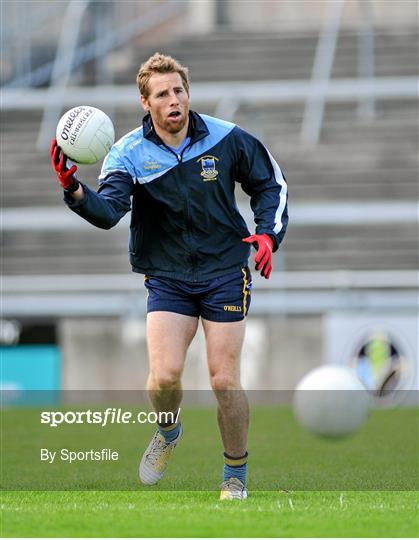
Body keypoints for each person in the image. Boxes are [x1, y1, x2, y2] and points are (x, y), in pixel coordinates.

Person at [50, 53, 288, 500]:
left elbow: (270, 183)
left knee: (223, 379)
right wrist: (74, 190)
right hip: (167, 276)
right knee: (164, 378)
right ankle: (167, 430)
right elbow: (108, 212)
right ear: (146, 102)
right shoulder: (127, 154)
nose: (174, 99)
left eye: (179, 90)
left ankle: (234, 475)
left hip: (224, 269)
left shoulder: (226, 137)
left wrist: (268, 235)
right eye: (163, 94)